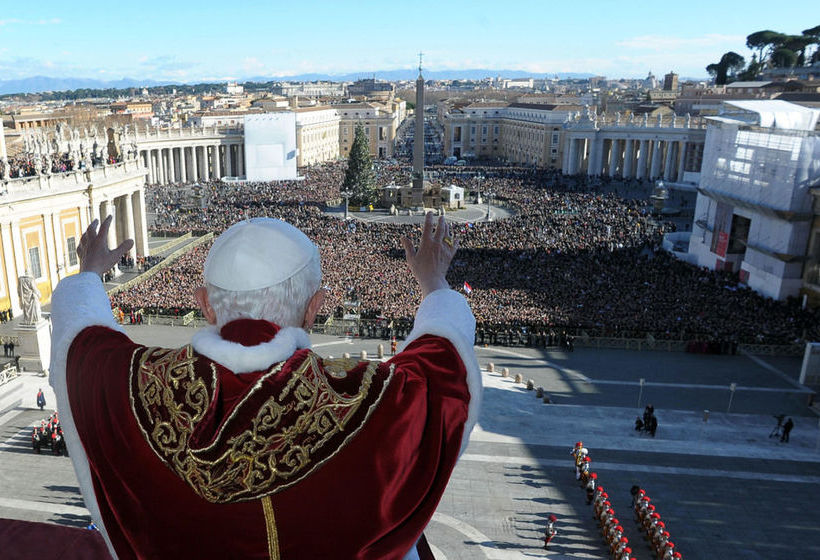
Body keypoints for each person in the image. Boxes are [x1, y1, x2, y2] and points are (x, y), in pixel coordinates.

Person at [49, 214, 481, 559]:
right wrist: (434, 284)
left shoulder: (139, 384)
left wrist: (88, 274)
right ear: (314, 309)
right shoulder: (371, 400)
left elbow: (81, 344)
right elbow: (443, 369)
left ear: (204, 304)